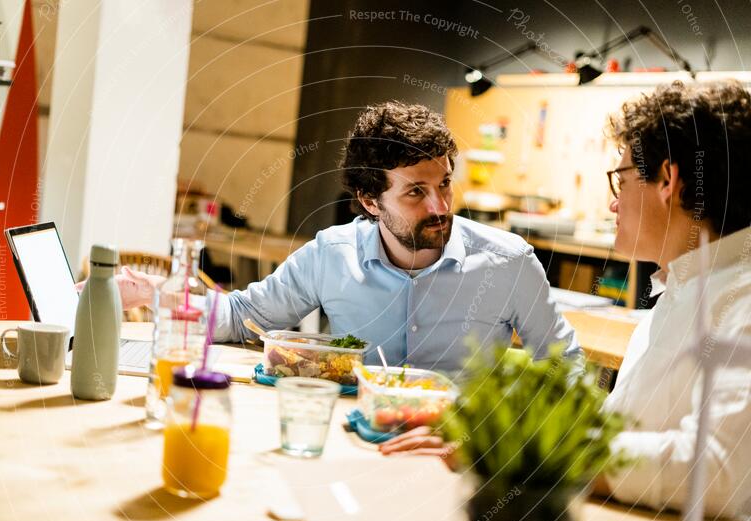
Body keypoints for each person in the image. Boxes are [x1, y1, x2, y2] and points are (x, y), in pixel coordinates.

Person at [384, 80, 751, 521]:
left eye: (621, 179)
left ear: (667, 181)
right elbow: (625, 431)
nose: (613, 205)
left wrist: (529, 453)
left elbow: (718, 469)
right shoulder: (684, 286)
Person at [111, 101, 581, 372]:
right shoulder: (331, 255)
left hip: (461, 454)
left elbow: (568, 368)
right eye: (416, 192)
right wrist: (155, 293)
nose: (439, 206)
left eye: (443, 184)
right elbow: (242, 318)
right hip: (348, 440)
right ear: (371, 201)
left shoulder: (509, 262)